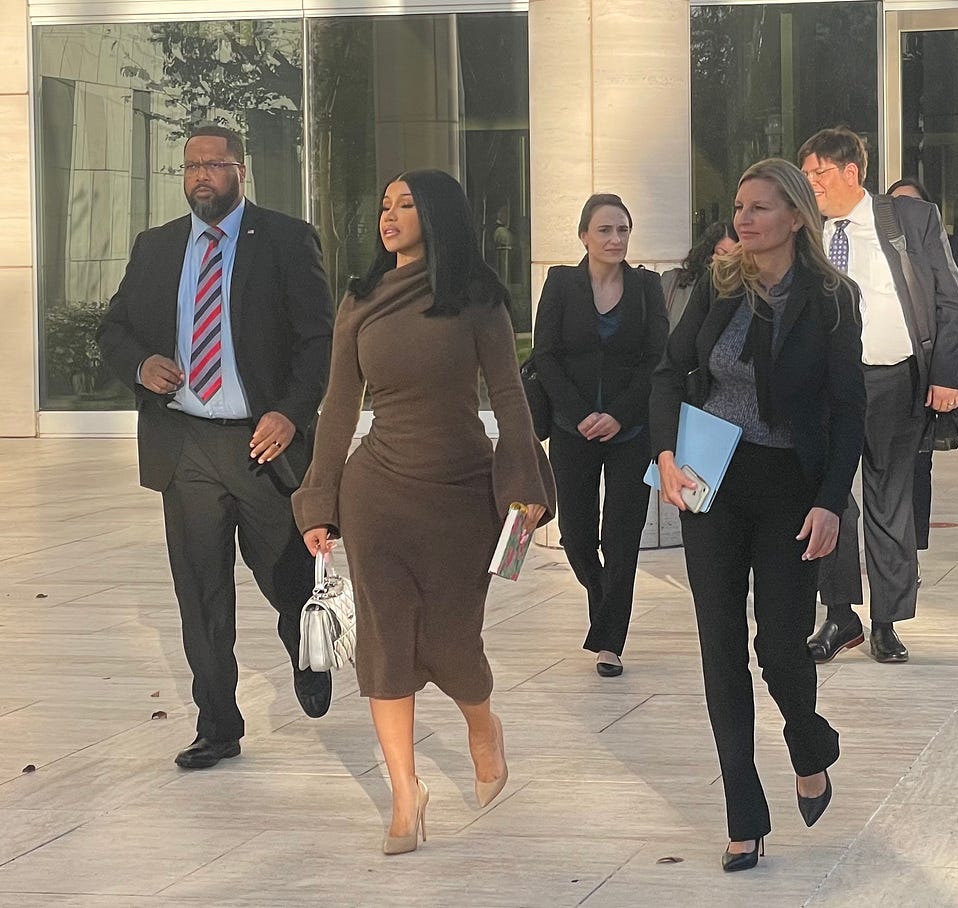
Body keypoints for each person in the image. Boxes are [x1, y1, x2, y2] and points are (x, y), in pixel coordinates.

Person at [293, 169, 553, 854]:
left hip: (461, 496)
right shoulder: (360, 299)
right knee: (384, 646)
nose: (389, 216)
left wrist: (525, 489)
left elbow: (510, 395)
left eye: (405, 205)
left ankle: (482, 728)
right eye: (384, 204)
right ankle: (405, 796)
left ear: (437, 215)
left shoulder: (476, 299)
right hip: (377, 495)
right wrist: (319, 500)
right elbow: (338, 405)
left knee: (453, 642)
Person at [98, 124, 334, 771]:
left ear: (240, 171)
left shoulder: (285, 240)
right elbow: (113, 329)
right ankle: (218, 725)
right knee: (202, 595)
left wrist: (290, 413)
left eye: (215, 164)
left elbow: (319, 341)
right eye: (191, 166)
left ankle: (308, 656)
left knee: (287, 579)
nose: (202, 175)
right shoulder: (156, 247)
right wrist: (140, 363)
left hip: (262, 445)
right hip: (186, 446)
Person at [651, 158, 864, 872]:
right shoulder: (719, 284)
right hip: (710, 477)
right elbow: (668, 371)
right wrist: (665, 454)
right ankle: (743, 812)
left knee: (778, 647)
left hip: (789, 487)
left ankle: (808, 741)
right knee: (719, 645)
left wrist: (830, 501)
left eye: (760, 208)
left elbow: (849, 409)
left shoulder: (832, 300)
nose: (743, 219)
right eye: (739, 207)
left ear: (796, 217)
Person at [798, 127, 958, 664]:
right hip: (824, 386)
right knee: (829, 499)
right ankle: (840, 614)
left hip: (893, 380)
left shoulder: (910, 220)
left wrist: (945, 375)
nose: (810, 184)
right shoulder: (805, 229)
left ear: (851, 172)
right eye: (805, 176)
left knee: (890, 502)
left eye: (818, 173)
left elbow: (949, 299)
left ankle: (886, 622)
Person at [532, 194, 668, 677]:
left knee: (622, 536)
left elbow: (657, 359)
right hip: (572, 429)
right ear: (584, 236)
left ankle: (610, 642)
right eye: (605, 230)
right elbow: (545, 355)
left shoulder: (647, 286)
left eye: (622, 230)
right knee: (576, 535)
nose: (615, 239)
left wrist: (617, 414)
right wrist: (581, 413)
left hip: (631, 431)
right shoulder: (561, 283)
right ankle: (601, 593)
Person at [886, 177, 958, 558]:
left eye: (912, 205)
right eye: (895, 204)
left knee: (916, 463)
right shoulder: (875, 247)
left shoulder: (947, 247)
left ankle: (911, 551)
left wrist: (952, 372)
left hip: (927, 374)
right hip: (884, 370)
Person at [661, 221, 738, 328]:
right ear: (709, 252)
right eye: (722, 254)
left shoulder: (736, 294)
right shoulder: (672, 281)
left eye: (734, 258)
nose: (727, 262)